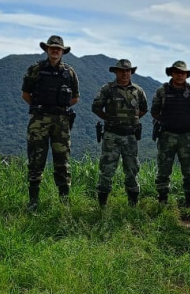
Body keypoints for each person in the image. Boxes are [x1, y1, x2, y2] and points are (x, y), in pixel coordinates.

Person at [21, 35, 79, 210]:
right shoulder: (36, 70)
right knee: (36, 160)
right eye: (52, 47)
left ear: (62, 51)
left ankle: (64, 201)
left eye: (58, 48)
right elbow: (25, 94)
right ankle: (33, 201)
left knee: (62, 161)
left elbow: (75, 97)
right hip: (38, 121)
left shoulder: (69, 72)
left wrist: (58, 107)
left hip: (61, 122)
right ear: (46, 49)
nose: (55, 50)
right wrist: (41, 108)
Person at [92, 59, 148, 207]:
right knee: (107, 169)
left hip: (130, 136)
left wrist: (131, 121)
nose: (124, 73)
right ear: (116, 72)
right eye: (121, 71)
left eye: (127, 70)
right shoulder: (107, 89)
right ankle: (102, 206)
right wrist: (109, 119)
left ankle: (133, 204)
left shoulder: (138, 91)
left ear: (131, 72)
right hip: (111, 135)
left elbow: (143, 109)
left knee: (132, 169)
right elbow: (96, 107)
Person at [150, 61, 190, 207]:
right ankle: (162, 200)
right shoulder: (162, 91)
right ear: (172, 73)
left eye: (183, 73)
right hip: (166, 136)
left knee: (189, 170)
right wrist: (167, 121)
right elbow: (154, 112)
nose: (180, 75)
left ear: (186, 75)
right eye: (177, 72)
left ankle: (189, 202)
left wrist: (189, 122)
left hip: (186, 137)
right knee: (163, 170)